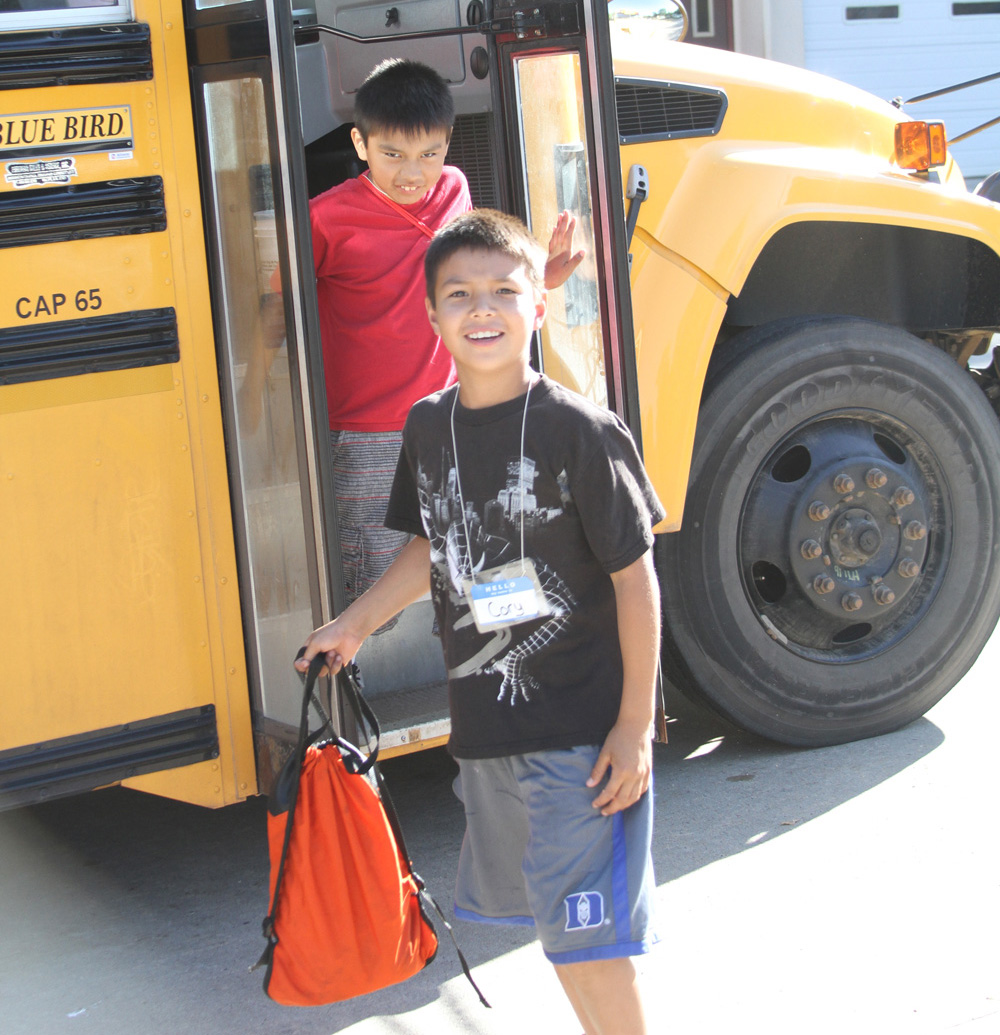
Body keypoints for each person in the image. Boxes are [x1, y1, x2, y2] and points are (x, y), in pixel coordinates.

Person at [297, 209, 664, 1035]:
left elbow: (635, 579)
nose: (482, 308)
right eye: (459, 294)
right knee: (560, 935)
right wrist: (352, 625)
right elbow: (432, 540)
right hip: (489, 733)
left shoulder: (582, 430)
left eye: (504, 290)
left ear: (540, 305)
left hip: (582, 739)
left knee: (592, 943)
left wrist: (635, 724)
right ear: (433, 318)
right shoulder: (429, 425)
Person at [245, 59, 583, 620]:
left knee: (490, 558)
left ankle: (503, 680)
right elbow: (275, 308)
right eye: (393, 155)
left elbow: (472, 282)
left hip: (458, 415)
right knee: (373, 587)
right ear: (360, 143)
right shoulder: (324, 220)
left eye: (429, 153)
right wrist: (253, 400)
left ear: (448, 144)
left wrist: (540, 278)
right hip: (367, 433)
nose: (413, 173)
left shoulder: (454, 188)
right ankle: (357, 679)